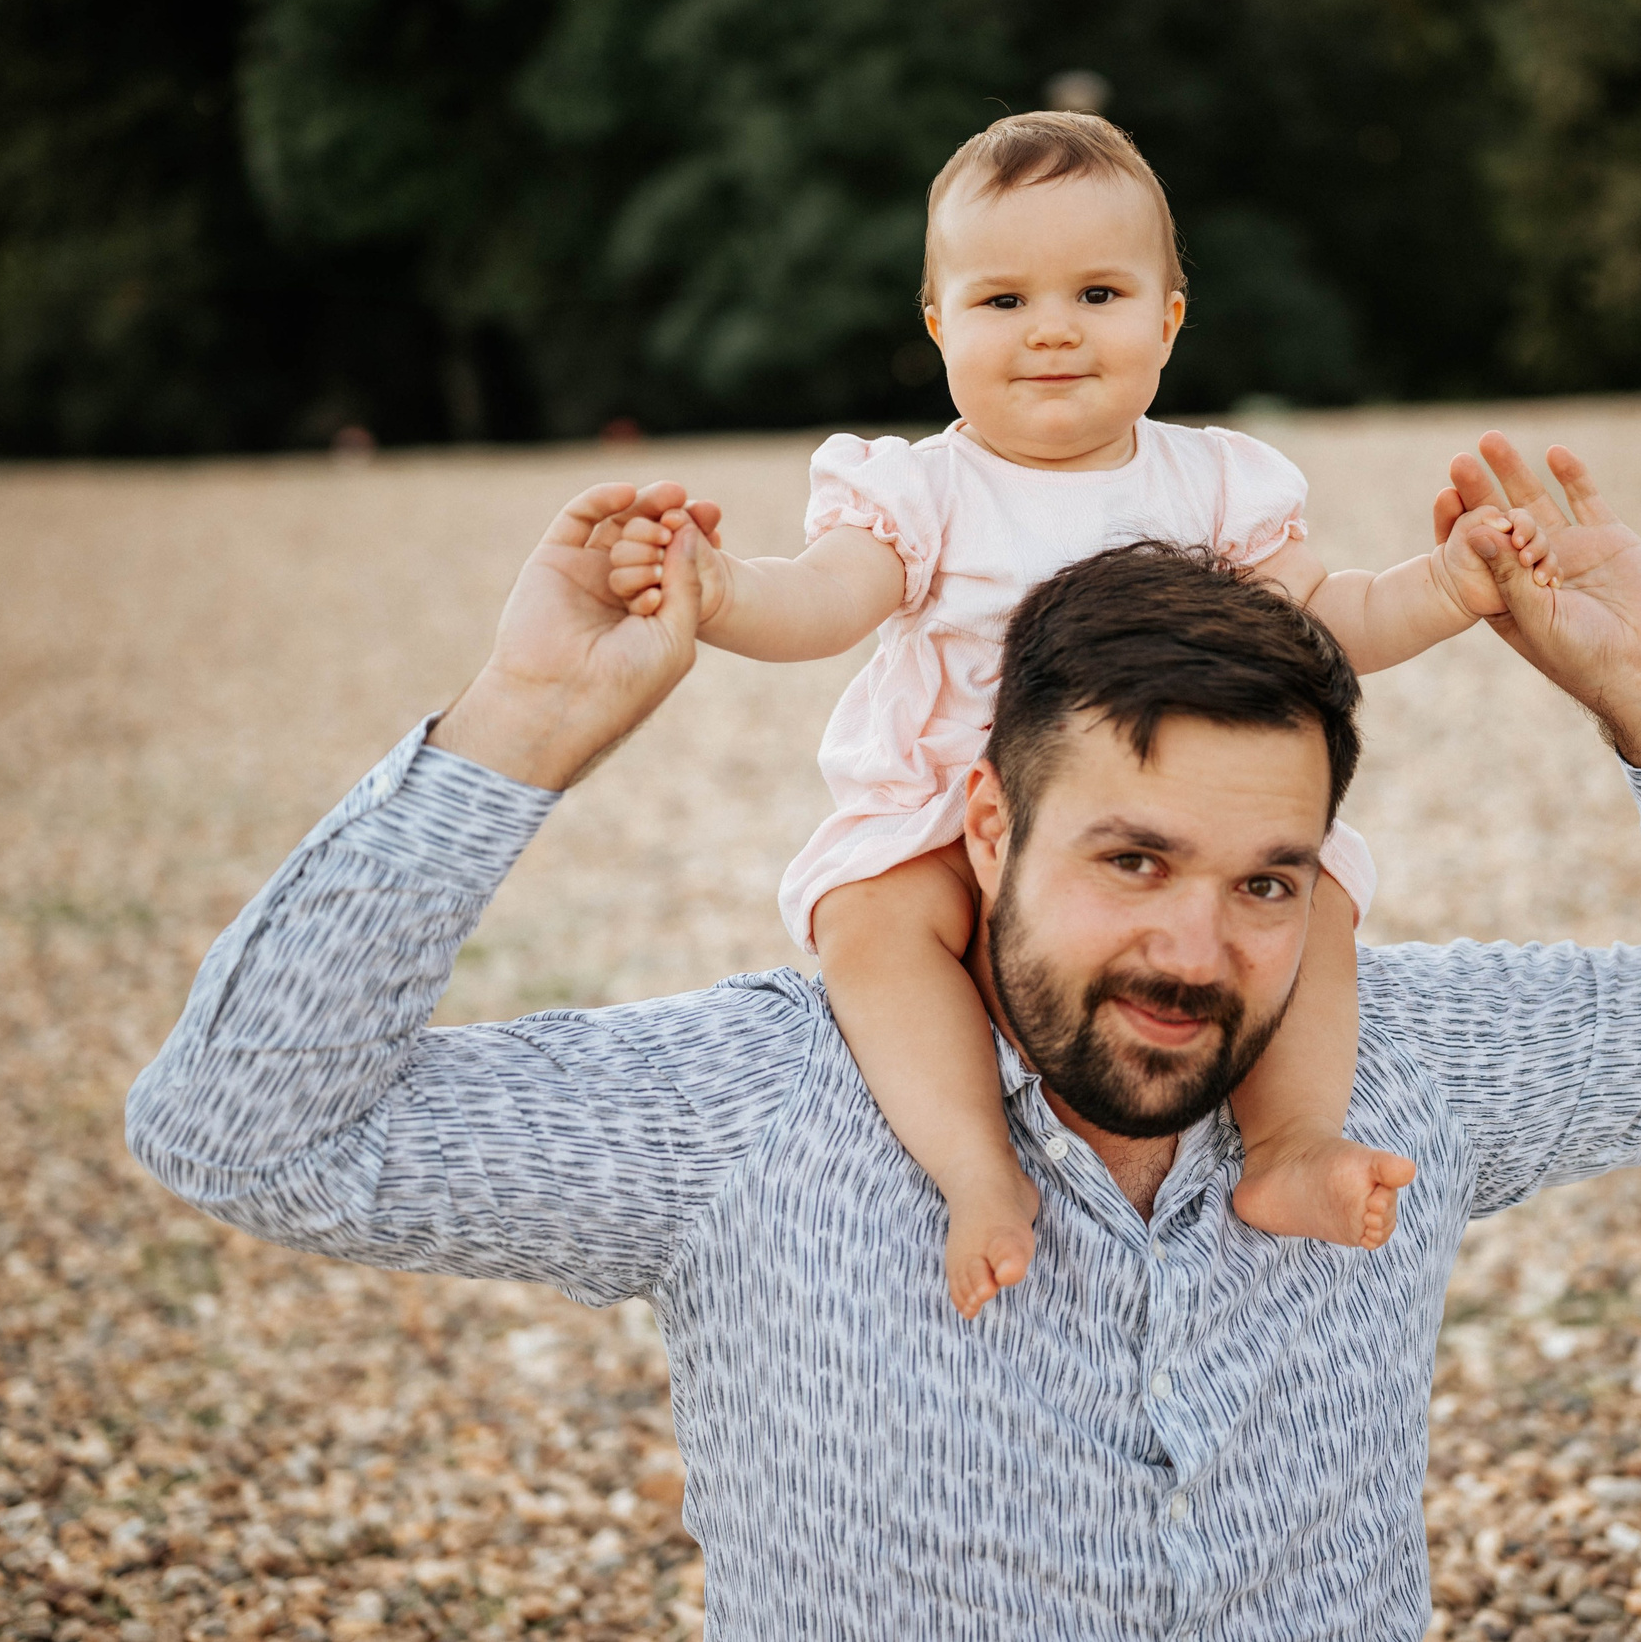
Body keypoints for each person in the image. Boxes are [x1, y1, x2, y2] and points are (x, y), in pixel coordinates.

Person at [127, 440, 1641, 1638]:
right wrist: (517, 729)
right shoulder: (755, 1111)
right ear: (981, 826)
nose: (1198, 948)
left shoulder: (1395, 1071)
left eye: (1271, 876)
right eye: (1131, 858)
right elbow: (245, 1128)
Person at [594, 110, 1561, 1315]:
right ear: (939, 326)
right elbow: (823, 602)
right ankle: (977, 1170)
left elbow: (1330, 618)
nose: (1050, 328)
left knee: (1318, 901)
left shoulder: (1214, 483)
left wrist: (1452, 584)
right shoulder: (921, 491)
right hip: (951, 810)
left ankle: (1293, 1143)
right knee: (872, 923)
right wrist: (718, 590)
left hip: (1172, 815)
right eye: (1002, 302)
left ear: (1167, 318)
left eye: (1097, 292)